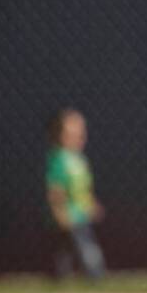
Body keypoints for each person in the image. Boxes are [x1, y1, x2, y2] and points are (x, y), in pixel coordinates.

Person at [45, 108, 106, 280]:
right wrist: (59, 211)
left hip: (81, 215)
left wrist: (92, 204)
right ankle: (69, 278)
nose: (78, 137)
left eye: (81, 132)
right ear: (58, 135)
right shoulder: (58, 160)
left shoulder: (79, 159)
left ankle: (93, 277)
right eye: (71, 133)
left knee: (82, 248)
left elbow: (83, 188)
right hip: (68, 216)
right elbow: (55, 189)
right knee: (68, 252)